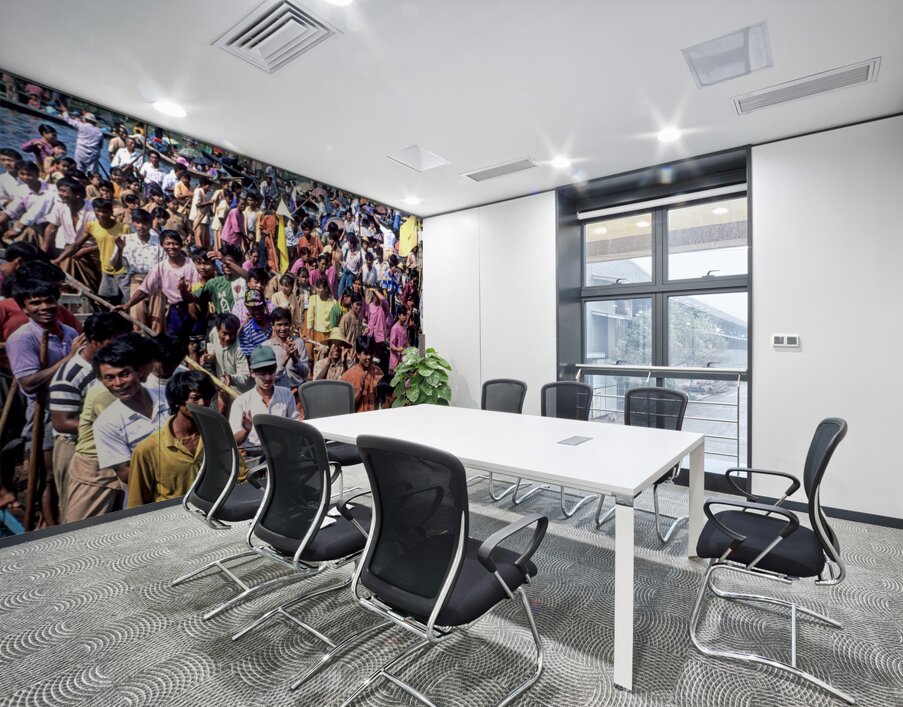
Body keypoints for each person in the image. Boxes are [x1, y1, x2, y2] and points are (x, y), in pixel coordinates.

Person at [7, 279, 84, 525]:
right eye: (36, 303)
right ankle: (51, 527)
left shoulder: (68, 332)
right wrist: (69, 359)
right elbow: (29, 382)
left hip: (74, 410)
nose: (45, 307)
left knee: (70, 475)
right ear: (25, 308)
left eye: (49, 300)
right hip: (45, 415)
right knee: (48, 478)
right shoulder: (23, 338)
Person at [48, 312, 131, 520]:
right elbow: (62, 421)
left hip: (106, 449)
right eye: (115, 341)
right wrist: (110, 429)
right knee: (78, 513)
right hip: (75, 448)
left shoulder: (114, 366)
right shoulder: (72, 373)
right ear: (95, 341)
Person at [127, 371, 214, 508]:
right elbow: (136, 503)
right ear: (179, 400)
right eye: (195, 398)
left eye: (207, 397)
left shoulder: (218, 436)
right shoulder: (147, 450)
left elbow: (240, 476)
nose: (203, 403)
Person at [93, 336, 169, 492]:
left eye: (124, 374)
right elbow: (126, 474)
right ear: (100, 380)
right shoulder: (107, 423)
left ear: (139, 371)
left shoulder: (169, 398)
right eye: (109, 378)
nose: (118, 383)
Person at [116, 230, 201, 339]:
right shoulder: (160, 267)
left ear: (181, 245)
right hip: (175, 310)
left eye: (175, 243)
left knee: (195, 342)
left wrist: (187, 292)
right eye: (168, 244)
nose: (172, 247)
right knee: (174, 342)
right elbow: (145, 289)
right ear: (162, 246)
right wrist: (127, 305)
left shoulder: (192, 264)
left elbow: (199, 288)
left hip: (193, 307)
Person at [54, 198, 130, 304]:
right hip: (106, 269)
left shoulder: (124, 228)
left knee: (128, 301)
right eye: (98, 211)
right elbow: (75, 245)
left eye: (105, 211)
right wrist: (58, 260)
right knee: (108, 301)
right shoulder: (91, 226)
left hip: (124, 271)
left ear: (111, 212)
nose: (101, 214)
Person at [229, 345, 299, 453]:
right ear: (253, 373)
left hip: (282, 454)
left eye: (271, 372)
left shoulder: (286, 394)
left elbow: (297, 429)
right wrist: (246, 430)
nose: (268, 378)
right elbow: (233, 442)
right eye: (262, 373)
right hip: (253, 457)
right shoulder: (241, 403)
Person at [113, 209, 164, 332]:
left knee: (157, 317)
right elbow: (116, 266)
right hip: (136, 279)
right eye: (137, 222)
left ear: (151, 224)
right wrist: (120, 250)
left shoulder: (159, 241)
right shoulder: (125, 239)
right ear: (133, 223)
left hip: (156, 280)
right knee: (137, 314)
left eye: (144, 223)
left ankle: (157, 342)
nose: (141, 226)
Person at [263, 307, 309, 389]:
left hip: (297, 391)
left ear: (290, 324)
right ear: (272, 325)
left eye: (286, 324)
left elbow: (305, 373)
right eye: (279, 324)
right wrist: (286, 359)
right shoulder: (267, 346)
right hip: (278, 392)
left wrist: (294, 358)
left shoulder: (299, 343)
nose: (283, 328)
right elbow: (268, 378)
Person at [341, 334, 383, 413]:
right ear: (358, 354)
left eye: (371, 353)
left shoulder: (378, 372)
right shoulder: (347, 377)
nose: (369, 357)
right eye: (366, 354)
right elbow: (345, 408)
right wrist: (360, 390)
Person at [59, 108, 104, 174]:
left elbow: (67, 119)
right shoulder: (99, 132)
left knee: (78, 171)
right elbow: (100, 146)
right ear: (94, 123)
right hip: (93, 155)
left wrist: (65, 112)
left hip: (80, 153)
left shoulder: (81, 126)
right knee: (92, 174)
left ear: (85, 120)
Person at [306, 278, 336, 360]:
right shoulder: (313, 299)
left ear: (326, 289)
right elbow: (310, 317)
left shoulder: (333, 302)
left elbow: (335, 321)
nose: (318, 290)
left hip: (329, 334)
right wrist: (308, 333)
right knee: (318, 357)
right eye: (317, 287)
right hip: (317, 333)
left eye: (320, 287)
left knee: (328, 357)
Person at [238, 289, 272, 356]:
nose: (256, 312)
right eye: (252, 309)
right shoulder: (245, 332)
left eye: (259, 307)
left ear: (264, 306)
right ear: (247, 308)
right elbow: (249, 358)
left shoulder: (275, 323)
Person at [388, 308, 410, 373]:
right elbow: (391, 345)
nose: (405, 317)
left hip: (403, 359)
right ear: (399, 315)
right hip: (396, 360)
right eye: (404, 315)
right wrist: (398, 349)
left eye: (406, 315)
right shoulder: (394, 328)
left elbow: (406, 341)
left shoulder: (404, 326)